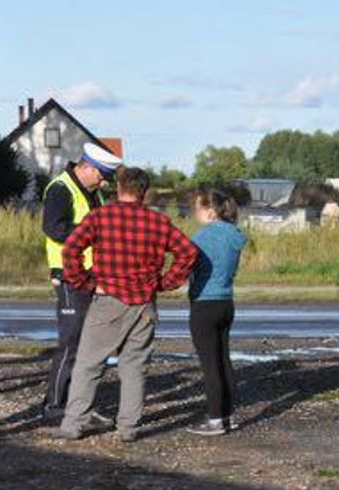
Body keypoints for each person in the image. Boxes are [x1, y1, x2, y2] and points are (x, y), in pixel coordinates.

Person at [55, 167, 199, 442]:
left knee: (88, 364)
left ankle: (74, 424)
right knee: (134, 367)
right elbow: (188, 252)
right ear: (144, 191)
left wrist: (84, 282)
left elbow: (70, 249)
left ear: (119, 187)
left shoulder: (100, 216)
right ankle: (128, 428)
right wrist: (165, 282)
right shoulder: (158, 221)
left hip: (108, 298)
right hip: (144, 303)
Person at [40, 142, 122, 423]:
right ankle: (55, 405)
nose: (102, 182)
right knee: (71, 343)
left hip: (90, 275)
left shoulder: (90, 192)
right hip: (68, 275)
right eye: (100, 176)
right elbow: (53, 228)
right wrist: (92, 231)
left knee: (89, 344)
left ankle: (79, 403)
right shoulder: (60, 188)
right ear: (86, 166)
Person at [186, 189, 247, 436]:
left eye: (197, 209)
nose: (195, 214)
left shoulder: (201, 237)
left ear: (209, 211)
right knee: (223, 361)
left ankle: (215, 419)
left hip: (204, 303)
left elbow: (188, 265)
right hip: (226, 301)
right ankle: (228, 415)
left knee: (209, 365)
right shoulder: (235, 235)